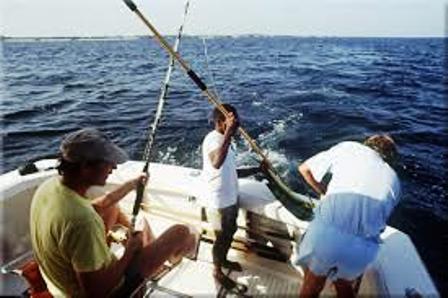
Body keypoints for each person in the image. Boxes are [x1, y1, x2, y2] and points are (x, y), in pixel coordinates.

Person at [30, 128, 198, 297]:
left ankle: (145, 255)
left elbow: (100, 205)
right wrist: (129, 252)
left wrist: (132, 184)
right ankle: (166, 261)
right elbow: (96, 292)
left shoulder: (49, 188)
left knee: (112, 207)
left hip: (59, 284)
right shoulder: (83, 222)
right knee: (181, 233)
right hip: (107, 292)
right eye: (107, 162)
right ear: (86, 166)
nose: (114, 167)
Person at [295, 134, 401, 298]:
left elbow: (304, 169)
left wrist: (323, 191)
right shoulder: (394, 179)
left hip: (326, 239)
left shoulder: (349, 147)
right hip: (362, 249)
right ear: (388, 157)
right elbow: (381, 221)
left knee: (312, 287)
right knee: (344, 285)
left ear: (367, 144)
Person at [202, 104, 262, 290]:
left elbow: (231, 171)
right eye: (231, 122)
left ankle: (223, 260)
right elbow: (217, 163)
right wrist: (228, 132)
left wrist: (258, 169)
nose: (236, 126)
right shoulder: (213, 139)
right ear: (220, 122)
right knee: (221, 238)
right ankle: (217, 271)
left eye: (236, 122)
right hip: (218, 201)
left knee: (229, 232)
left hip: (231, 198)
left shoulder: (225, 141)